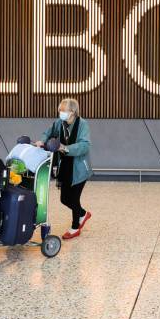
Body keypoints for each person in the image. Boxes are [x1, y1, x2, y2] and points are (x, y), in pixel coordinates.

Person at [35, 98, 93, 239]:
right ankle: (83, 214)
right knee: (64, 199)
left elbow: (85, 145)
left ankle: (75, 227)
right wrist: (42, 141)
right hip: (65, 166)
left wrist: (65, 148)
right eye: (60, 110)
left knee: (73, 198)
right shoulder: (59, 123)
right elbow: (48, 132)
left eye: (63, 110)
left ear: (72, 111)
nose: (60, 112)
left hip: (79, 168)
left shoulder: (82, 125)